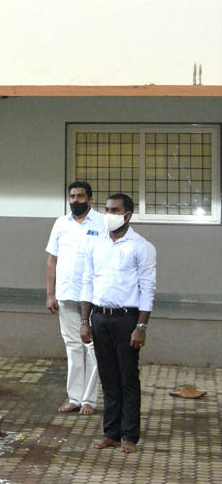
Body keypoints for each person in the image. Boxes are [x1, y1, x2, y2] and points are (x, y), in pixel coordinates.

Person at [80, 192, 157, 454]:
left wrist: (141, 327)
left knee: (127, 378)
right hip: (99, 317)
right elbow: (87, 282)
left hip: (127, 320)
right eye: (107, 210)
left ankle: (129, 436)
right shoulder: (96, 244)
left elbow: (148, 288)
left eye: (115, 211)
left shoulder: (141, 246)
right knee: (108, 377)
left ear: (128, 215)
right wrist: (84, 321)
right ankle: (110, 433)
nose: (109, 215)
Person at [45, 180, 104, 414]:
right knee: (73, 347)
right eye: (72, 197)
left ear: (90, 199)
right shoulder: (61, 223)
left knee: (93, 348)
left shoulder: (102, 222)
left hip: (94, 298)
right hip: (67, 296)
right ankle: (74, 398)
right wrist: (51, 294)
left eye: (80, 196)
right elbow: (52, 260)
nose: (75, 200)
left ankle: (89, 400)